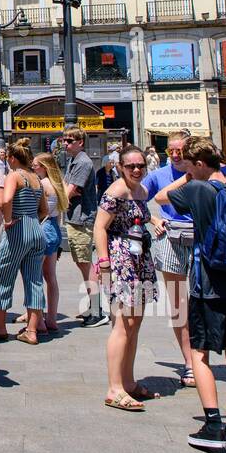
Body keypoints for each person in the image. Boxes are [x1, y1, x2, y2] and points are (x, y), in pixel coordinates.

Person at [155, 137, 226, 453]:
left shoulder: (198, 189)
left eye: (188, 162)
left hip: (207, 283)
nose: (183, 165)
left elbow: (163, 198)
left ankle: (213, 425)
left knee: (200, 354)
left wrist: (188, 176)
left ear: (198, 164)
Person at [96, 145, 160, 411]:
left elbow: (139, 216)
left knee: (135, 322)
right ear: (121, 167)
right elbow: (99, 226)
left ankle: (129, 381)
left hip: (140, 258)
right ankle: (115, 388)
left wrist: (154, 220)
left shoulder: (142, 191)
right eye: (131, 166)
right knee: (123, 323)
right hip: (121, 259)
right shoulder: (116, 191)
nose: (136, 170)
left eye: (140, 166)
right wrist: (104, 263)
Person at [141, 130, 198, 389]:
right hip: (171, 239)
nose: (175, 155)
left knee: (206, 300)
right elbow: (136, 199)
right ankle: (189, 361)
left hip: (201, 239)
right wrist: (153, 219)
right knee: (178, 303)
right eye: (170, 150)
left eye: (180, 150)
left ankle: (206, 356)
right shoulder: (158, 175)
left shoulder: (205, 169)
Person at [0, 138, 48, 344]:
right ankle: (32, 330)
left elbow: (6, 200)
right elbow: (44, 210)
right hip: (36, 230)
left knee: (1, 274)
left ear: (12, 157)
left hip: (17, 228)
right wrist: (32, 222)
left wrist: (9, 220)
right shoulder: (35, 178)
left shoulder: (14, 175)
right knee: (34, 279)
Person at [62, 128, 106, 327]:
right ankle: (93, 306)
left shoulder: (83, 161)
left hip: (82, 219)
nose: (65, 144)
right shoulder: (74, 160)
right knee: (82, 263)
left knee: (85, 263)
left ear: (81, 142)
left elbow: (69, 191)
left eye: (70, 140)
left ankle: (97, 311)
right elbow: (66, 186)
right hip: (75, 217)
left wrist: (57, 200)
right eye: (64, 140)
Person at [33, 153, 68, 334]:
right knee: (51, 277)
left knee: (36, 277)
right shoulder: (58, 183)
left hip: (44, 227)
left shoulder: (43, 184)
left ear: (44, 167)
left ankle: (38, 320)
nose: (33, 168)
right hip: (54, 227)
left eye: (36, 165)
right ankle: (52, 318)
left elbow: (40, 211)